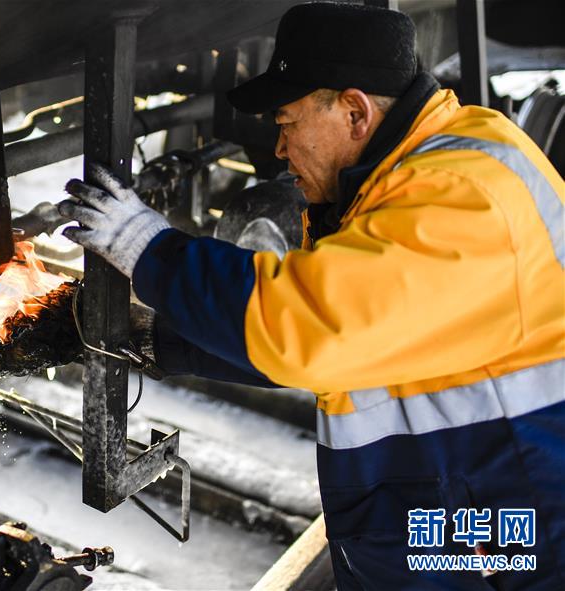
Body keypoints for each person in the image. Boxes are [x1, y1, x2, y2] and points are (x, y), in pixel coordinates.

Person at [57, 2, 565, 589]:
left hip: (518, 525)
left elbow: (318, 327)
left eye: (286, 122)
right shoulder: (421, 169)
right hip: (474, 505)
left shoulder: (461, 195)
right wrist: (162, 339)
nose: (278, 148)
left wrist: (146, 247)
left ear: (354, 111)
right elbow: (356, 352)